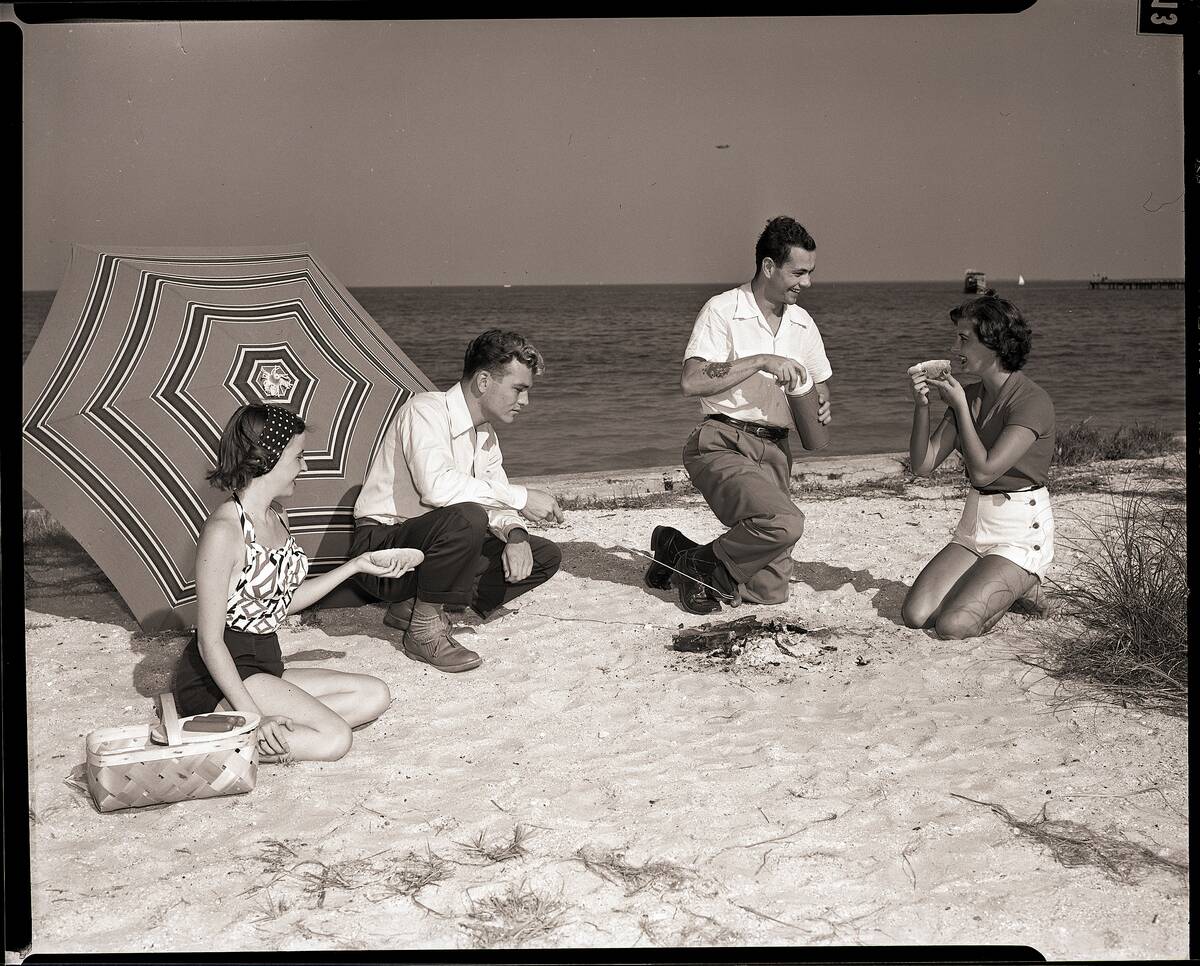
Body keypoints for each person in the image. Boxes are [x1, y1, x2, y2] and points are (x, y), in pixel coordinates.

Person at [173, 404, 416, 763]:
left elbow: (280, 603)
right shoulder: (224, 532)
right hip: (221, 675)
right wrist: (254, 717)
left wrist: (355, 566)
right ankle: (222, 736)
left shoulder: (276, 515)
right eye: (298, 456)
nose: (304, 466)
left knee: (375, 694)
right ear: (266, 458)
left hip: (267, 664)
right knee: (334, 739)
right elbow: (210, 642)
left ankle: (247, 730)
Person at [645, 216, 832, 614]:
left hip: (776, 453)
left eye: (810, 273)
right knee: (785, 523)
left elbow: (817, 383)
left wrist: (822, 400)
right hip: (721, 442)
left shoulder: (802, 322)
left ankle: (679, 553)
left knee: (769, 593)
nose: (807, 283)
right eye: (798, 272)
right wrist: (762, 359)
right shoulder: (723, 310)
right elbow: (691, 380)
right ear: (769, 267)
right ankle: (702, 565)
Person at [350, 329, 564, 673]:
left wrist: (516, 534)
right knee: (467, 517)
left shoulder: (486, 434)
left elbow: (495, 496)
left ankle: (416, 607)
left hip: (430, 550)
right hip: (382, 550)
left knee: (543, 556)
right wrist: (523, 497)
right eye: (519, 389)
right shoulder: (425, 411)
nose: (524, 402)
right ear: (483, 381)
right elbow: (437, 488)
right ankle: (423, 630)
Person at [901, 290, 1055, 639]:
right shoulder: (969, 395)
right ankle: (1000, 581)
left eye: (963, 339)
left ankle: (1024, 582)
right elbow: (922, 465)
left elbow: (986, 471)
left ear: (995, 344)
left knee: (954, 625)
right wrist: (922, 405)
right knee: (916, 614)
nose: (955, 349)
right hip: (974, 526)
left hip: (1020, 532)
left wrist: (958, 404)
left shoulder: (1032, 401)